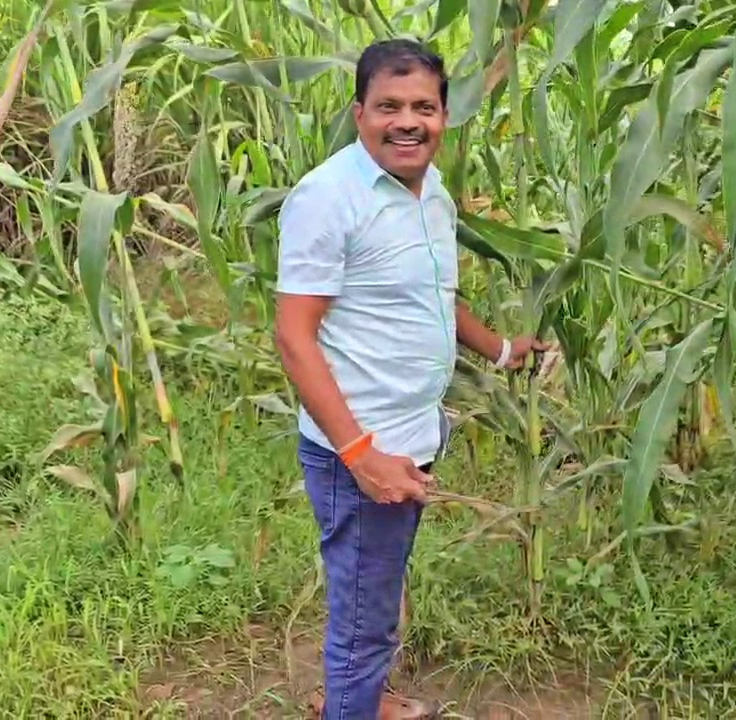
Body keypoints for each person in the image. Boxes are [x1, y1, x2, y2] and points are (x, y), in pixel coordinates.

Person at [274, 38, 549, 720]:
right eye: (389, 106)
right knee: (364, 621)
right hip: (363, 448)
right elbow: (294, 338)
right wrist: (361, 455)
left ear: (444, 116)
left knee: (375, 589)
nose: (407, 122)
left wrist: (499, 348)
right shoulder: (328, 198)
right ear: (359, 114)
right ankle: (353, 701)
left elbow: (434, 293)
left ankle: (363, 697)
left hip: (413, 432)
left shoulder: (430, 192)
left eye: (423, 107)